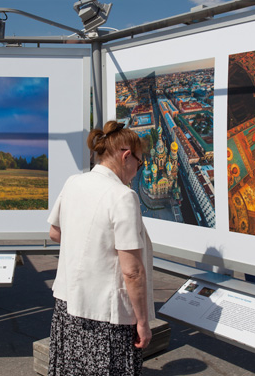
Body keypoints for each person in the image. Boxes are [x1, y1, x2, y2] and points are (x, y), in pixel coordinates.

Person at [47, 121, 154, 375]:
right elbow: (132, 272)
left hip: (68, 306)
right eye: (139, 163)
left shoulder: (74, 182)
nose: (137, 170)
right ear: (126, 156)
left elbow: (54, 233)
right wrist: (143, 322)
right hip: (106, 317)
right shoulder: (123, 196)